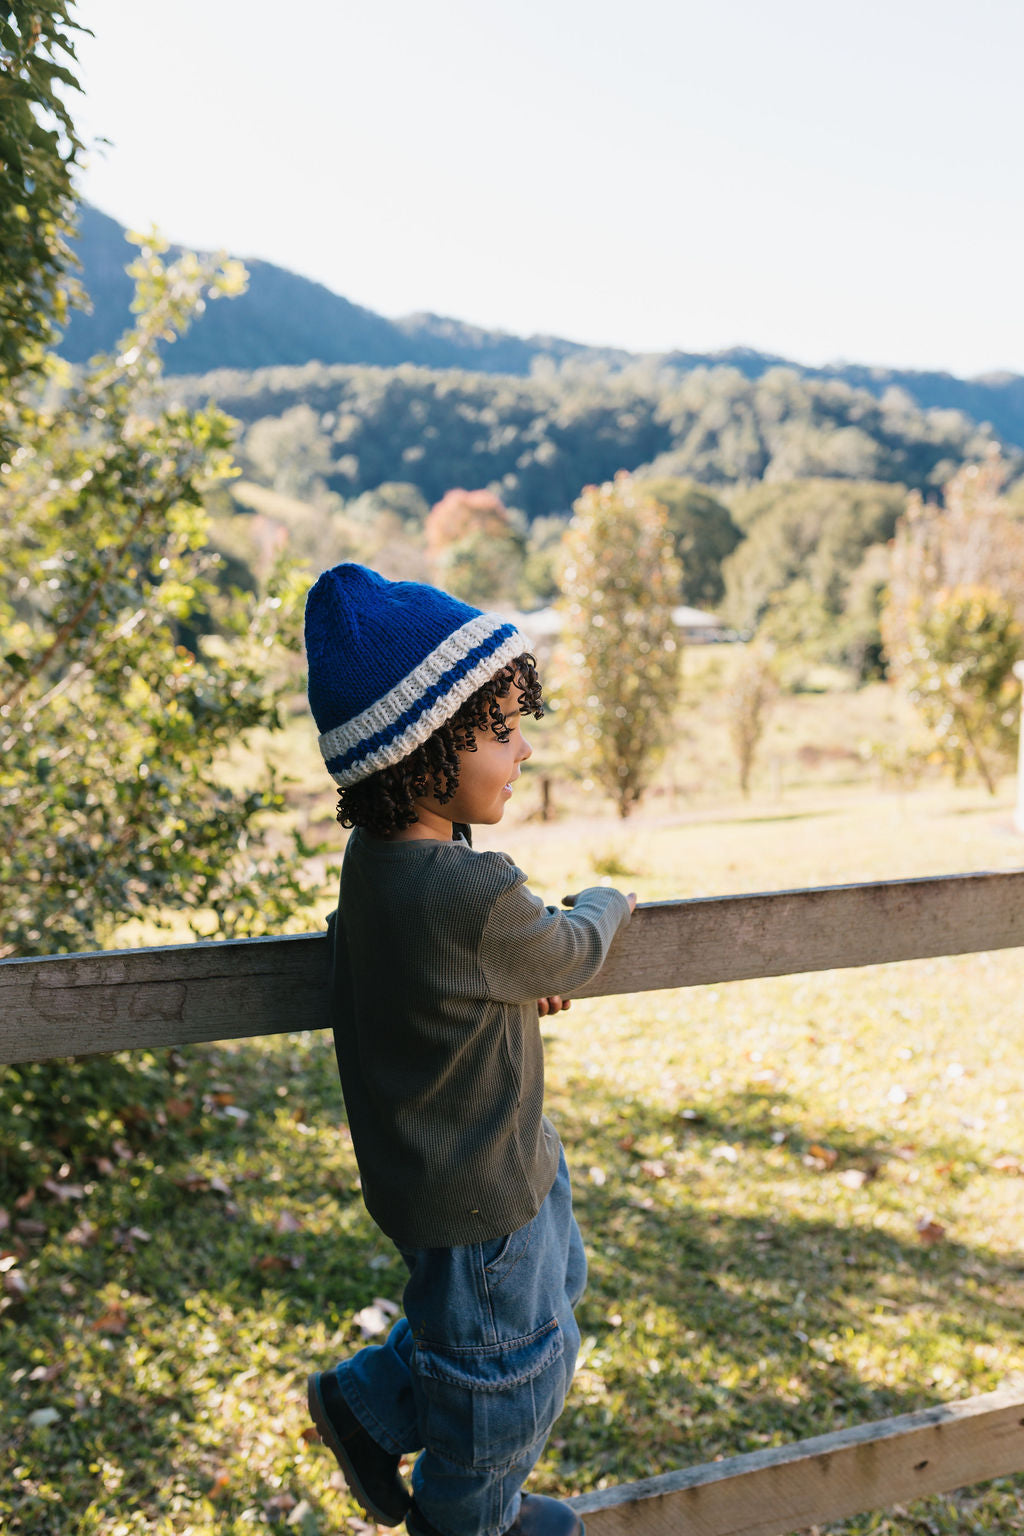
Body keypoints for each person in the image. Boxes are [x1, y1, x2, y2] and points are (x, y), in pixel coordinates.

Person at [302, 563, 635, 1536]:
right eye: (499, 732)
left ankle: (368, 1405)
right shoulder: (469, 893)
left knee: (523, 1308)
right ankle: (469, 1522)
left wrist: (506, 985)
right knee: (504, 1375)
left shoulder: (376, 869)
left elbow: (432, 987)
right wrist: (608, 900)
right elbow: (567, 945)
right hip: (482, 1189)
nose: (521, 751)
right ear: (424, 750)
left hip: (472, 1170)